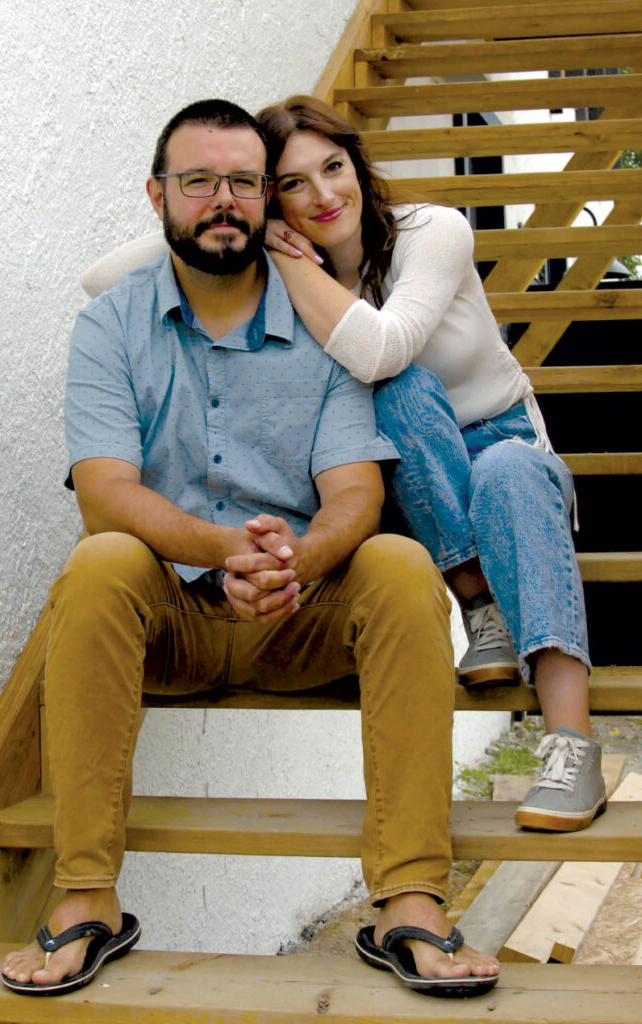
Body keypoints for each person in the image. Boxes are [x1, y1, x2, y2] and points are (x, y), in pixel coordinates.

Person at [0, 98, 500, 999]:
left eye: (242, 182)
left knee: (397, 561)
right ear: (158, 196)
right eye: (198, 182)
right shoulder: (112, 325)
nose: (221, 200)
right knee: (100, 560)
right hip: (169, 617)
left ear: (269, 202)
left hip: (300, 613)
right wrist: (222, 547)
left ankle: (410, 900)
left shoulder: (321, 318)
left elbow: (357, 490)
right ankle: (87, 899)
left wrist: (298, 561)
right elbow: (105, 492)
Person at [252, 95, 606, 836]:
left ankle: (572, 745)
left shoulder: (433, 231)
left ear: (357, 164)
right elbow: (111, 274)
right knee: (401, 397)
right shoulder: (291, 268)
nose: (323, 196)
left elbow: (383, 345)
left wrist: (285, 259)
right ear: (271, 198)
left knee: (481, 446)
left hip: (506, 448)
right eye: (292, 184)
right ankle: (479, 605)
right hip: (417, 481)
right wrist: (240, 216)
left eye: (333, 168)